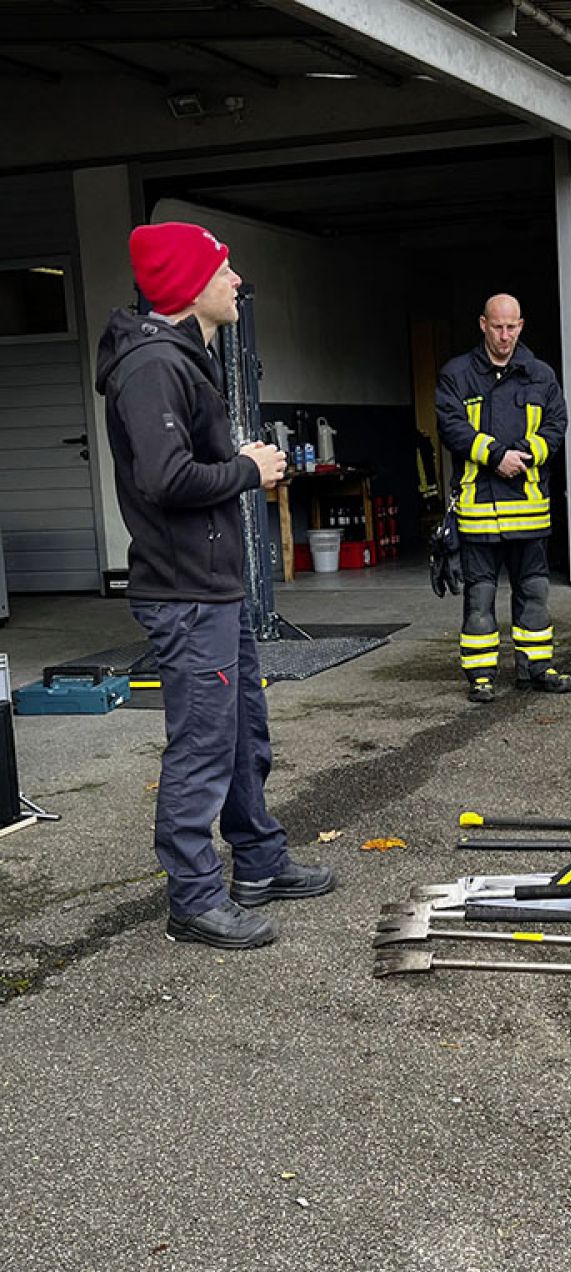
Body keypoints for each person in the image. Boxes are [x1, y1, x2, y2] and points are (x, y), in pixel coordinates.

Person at [95, 221, 334, 950]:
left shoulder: (182, 358)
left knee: (241, 736)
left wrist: (236, 462)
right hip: (185, 592)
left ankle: (258, 860)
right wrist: (246, 470)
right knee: (201, 746)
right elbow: (165, 479)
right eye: (223, 268)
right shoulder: (151, 366)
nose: (234, 280)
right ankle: (194, 900)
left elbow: (184, 465)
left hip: (214, 587)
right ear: (188, 285)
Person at [435, 294, 571, 703]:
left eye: (511, 327)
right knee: (479, 596)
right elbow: (451, 427)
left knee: (534, 591)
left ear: (521, 326)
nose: (504, 335)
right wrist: (496, 456)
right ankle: (481, 675)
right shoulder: (457, 374)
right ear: (483, 324)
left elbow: (556, 425)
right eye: (497, 326)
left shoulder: (541, 375)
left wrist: (526, 455)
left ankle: (537, 668)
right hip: (478, 509)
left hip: (529, 508)